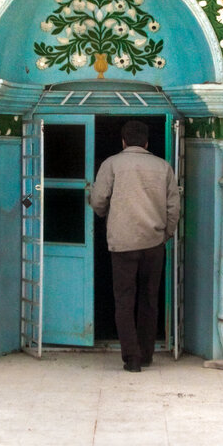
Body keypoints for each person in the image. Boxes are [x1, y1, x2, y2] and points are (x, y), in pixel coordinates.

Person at [90, 120, 179, 373]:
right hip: (153, 243)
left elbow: (98, 199)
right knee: (149, 299)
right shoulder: (163, 167)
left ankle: (132, 358)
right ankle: (147, 352)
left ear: (123, 141)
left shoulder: (112, 164)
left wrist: (106, 215)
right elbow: (174, 208)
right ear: (147, 142)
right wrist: (166, 235)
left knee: (124, 300)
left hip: (123, 243)